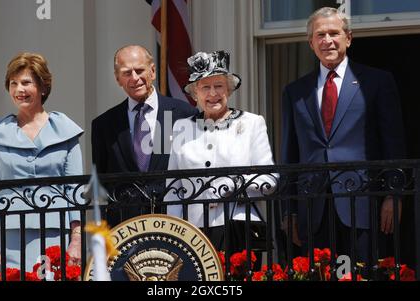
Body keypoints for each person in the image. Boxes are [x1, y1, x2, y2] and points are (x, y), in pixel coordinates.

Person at [280, 7, 406, 263]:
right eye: (320, 35)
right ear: (311, 42)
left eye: (334, 33)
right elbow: (290, 154)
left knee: (363, 273)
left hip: (361, 203)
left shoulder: (376, 82)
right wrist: (290, 211)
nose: (327, 40)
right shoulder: (295, 91)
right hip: (313, 208)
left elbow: (393, 142)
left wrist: (393, 195)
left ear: (348, 38)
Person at [0, 52, 83, 276]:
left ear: (43, 88)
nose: (18, 90)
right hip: (6, 233)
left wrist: (76, 239)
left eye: (26, 82)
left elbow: (75, 191)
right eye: (13, 83)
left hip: (54, 231)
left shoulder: (66, 131)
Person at [165, 50, 277, 252]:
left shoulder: (251, 123)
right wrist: (175, 233)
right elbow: (173, 189)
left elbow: (269, 180)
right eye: (205, 87)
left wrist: (234, 184)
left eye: (219, 86)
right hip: (193, 232)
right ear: (194, 94)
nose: (213, 94)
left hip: (239, 228)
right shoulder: (181, 127)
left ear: (229, 90)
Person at [91, 45, 197, 226]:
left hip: (174, 222)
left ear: (153, 71)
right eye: (126, 73)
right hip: (125, 227)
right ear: (118, 79)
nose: (134, 78)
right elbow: (101, 184)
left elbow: (194, 171)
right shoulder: (104, 124)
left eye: (140, 70)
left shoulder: (184, 114)